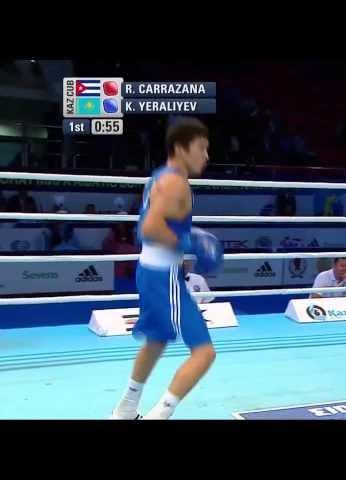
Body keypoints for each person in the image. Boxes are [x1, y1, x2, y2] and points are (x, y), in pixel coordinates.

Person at [111, 117, 223, 420]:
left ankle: (124, 410)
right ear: (181, 147)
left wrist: (189, 236)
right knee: (204, 352)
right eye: (201, 148)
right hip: (163, 276)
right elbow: (148, 228)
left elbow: (155, 222)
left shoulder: (160, 176)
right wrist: (190, 241)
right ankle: (158, 416)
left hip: (149, 271)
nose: (206, 156)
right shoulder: (176, 182)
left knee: (157, 340)